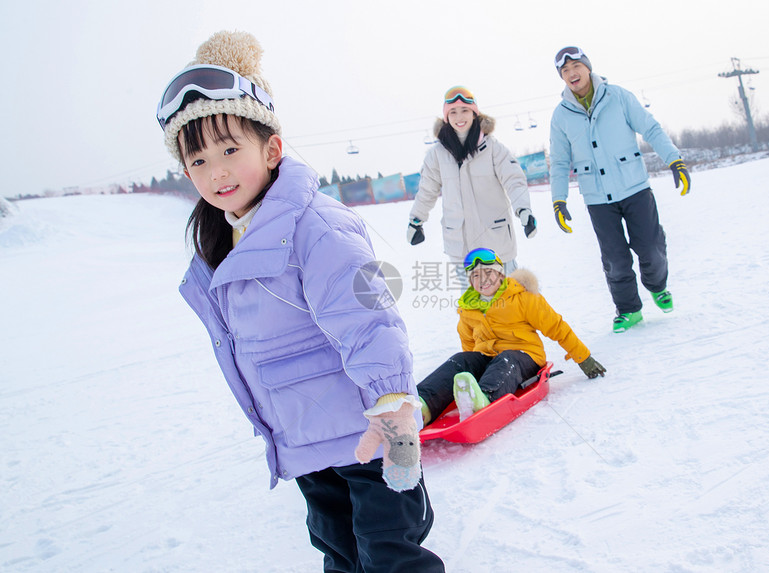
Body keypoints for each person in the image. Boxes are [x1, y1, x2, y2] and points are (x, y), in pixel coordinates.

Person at [158, 31, 444, 572]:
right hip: (309, 446)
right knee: (340, 556)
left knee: (390, 556)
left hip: (370, 435)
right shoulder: (225, 243)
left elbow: (371, 321)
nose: (215, 171)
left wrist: (395, 411)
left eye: (229, 149)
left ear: (272, 148)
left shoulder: (314, 227)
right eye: (196, 160)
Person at [548, 46, 691, 333]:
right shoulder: (561, 116)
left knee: (650, 248)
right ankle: (628, 310)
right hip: (598, 198)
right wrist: (558, 200)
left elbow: (650, 129)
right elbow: (561, 162)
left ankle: (657, 286)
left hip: (635, 188)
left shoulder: (618, 97)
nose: (571, 73)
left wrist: (674, 159)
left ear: (588, 67)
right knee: (614, 259)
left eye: (576, 66)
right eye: (565, 71)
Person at [417, 248, 606, 424]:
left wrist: (583, 357)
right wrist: (472, 371)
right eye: (475, 275)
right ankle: (421, 405)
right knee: (460, 359)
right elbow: (468, 343)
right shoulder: (468, 308)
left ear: (500, 274)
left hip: (524, 357)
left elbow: (556, 327)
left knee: (506, 359)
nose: (483, 279)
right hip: (489, 359)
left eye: (488, 272)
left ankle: (482, 399)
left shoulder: (523, 298)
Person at [407, 86, 537, 287]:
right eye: (453, 112)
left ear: (474, 113)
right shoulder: (437, 155)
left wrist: (523, 209)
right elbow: (427, 190)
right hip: (460, 245)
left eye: (465, 110)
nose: (459, 116)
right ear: (446, 117)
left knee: (509, 299)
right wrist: (416, 220)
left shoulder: (492, 148)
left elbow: (514, 179)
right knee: (473, 304)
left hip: (495, 241)